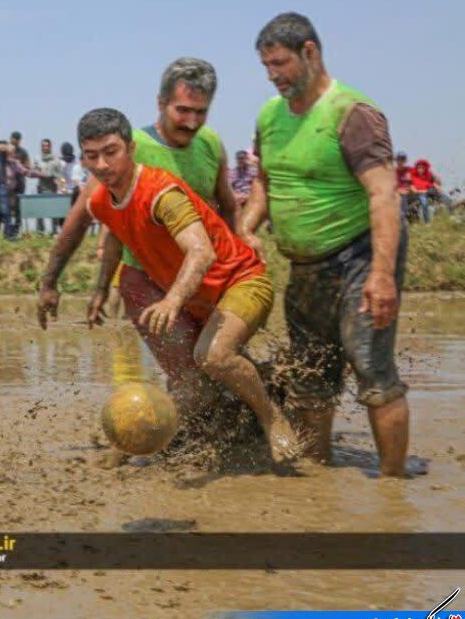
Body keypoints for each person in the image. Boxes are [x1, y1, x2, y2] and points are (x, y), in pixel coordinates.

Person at [38, 108, 299, 464]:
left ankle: (273, 419)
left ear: (130, 148)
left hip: (242, 282)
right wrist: (100, 288)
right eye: (92, 155)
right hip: (198, 298)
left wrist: (172, 299)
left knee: (213, 356)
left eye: (111, 152)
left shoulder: (162, 193)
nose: (101, 164)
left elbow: (201, 252)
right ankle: (132, 445)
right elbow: (116, 236)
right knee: (190, 380)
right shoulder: (101, 198)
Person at [239, 12, 409, 477]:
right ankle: (319, 475)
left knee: (371, 367)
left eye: (280, 64)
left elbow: (383, 194)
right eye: (266, 67)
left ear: (310, 52)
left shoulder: (353, 114)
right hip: (305, 266)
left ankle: (394, 489)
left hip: (359, 255)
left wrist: (381, 274)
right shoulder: (270, 116)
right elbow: (264, 185)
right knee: (311, 376)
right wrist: (248, 226)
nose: (274, 76)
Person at [107, 58, 239, 416]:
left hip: (202, 276)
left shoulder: (211, 144)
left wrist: (237, 261)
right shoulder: (130, 147)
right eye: (183, 110)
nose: (192, 121)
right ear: (160, 103)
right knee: (187, 374)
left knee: (217, 366)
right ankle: (150, 443)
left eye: (201, 111)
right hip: (147, 280)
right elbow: (103, 217)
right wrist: (98, 284)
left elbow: (227, 205)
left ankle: (195, 438)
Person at [30, 138, 66, 234]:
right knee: (39, 211)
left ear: (50, 147)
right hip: (41, 188)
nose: (45, 148)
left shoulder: (55, 159)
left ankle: (54, 231)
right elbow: (32, 171)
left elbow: (60, 175)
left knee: (53, 211)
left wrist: (61, 187)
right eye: (43, 146)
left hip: (53, 188)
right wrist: (41, 174)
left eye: (47, 146)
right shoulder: (37, 158)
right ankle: (40, 232)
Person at [408, 159, 441, 224]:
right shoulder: (413, 176)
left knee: (444, 198)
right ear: (416, 168)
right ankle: (427, 222)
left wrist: (438, 187)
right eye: (419, 167)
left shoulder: (428, 175)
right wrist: (424, 191)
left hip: (430, 193)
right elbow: (414, 190)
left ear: (425, 168)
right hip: (420, 194)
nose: (420, 169)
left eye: (422, 168)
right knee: (424, 203)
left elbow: (435, 183)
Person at [394, 151, 412, 220]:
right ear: (396, 160)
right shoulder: (393, 171)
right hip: (398, 192)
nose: (401, 161)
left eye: (403, 159)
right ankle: (404, 215)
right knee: (402, 196)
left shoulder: (409, 170)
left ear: (405, 160)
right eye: (399, 159)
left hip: (409, 191)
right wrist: (399, 190)